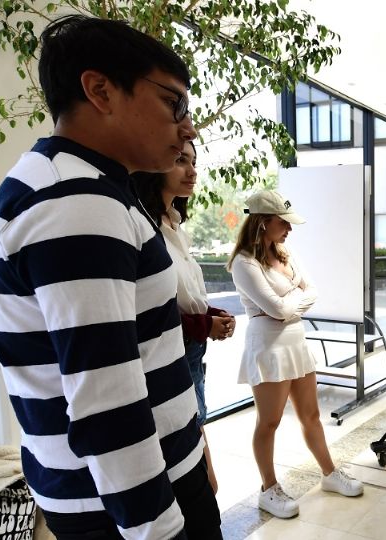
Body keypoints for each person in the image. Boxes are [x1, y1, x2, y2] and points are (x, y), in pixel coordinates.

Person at [0, 15, 221, 539]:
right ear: (100, 90)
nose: (188, 126)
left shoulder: (83, 186)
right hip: (123, 510)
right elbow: (106, 399)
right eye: (172, 102)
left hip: (133, 489)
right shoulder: (75, 202)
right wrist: (159, 530)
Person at [227, 190, 363, 519]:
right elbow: (275, 308)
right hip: (269, 347)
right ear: (262, 223)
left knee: (311, 415)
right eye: (283, 222)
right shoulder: (243, 264)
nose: (289, 229)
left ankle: (330, 474)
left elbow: (308, 293)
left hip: (295, 341)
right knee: (269, 422)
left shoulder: (285, 253)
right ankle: (268, 489)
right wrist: (290, 304)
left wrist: (287, 308)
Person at [133, 140, 236, 495]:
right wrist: (202, 324)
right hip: (168, 355)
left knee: (198, 455)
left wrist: (211, 315)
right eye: (180, 160)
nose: (192, 171)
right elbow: (150, 310)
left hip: (190, 351)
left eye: (194, 161)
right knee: (195, 476)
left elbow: (184, 295)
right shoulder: (143, 227)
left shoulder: (174, 224)